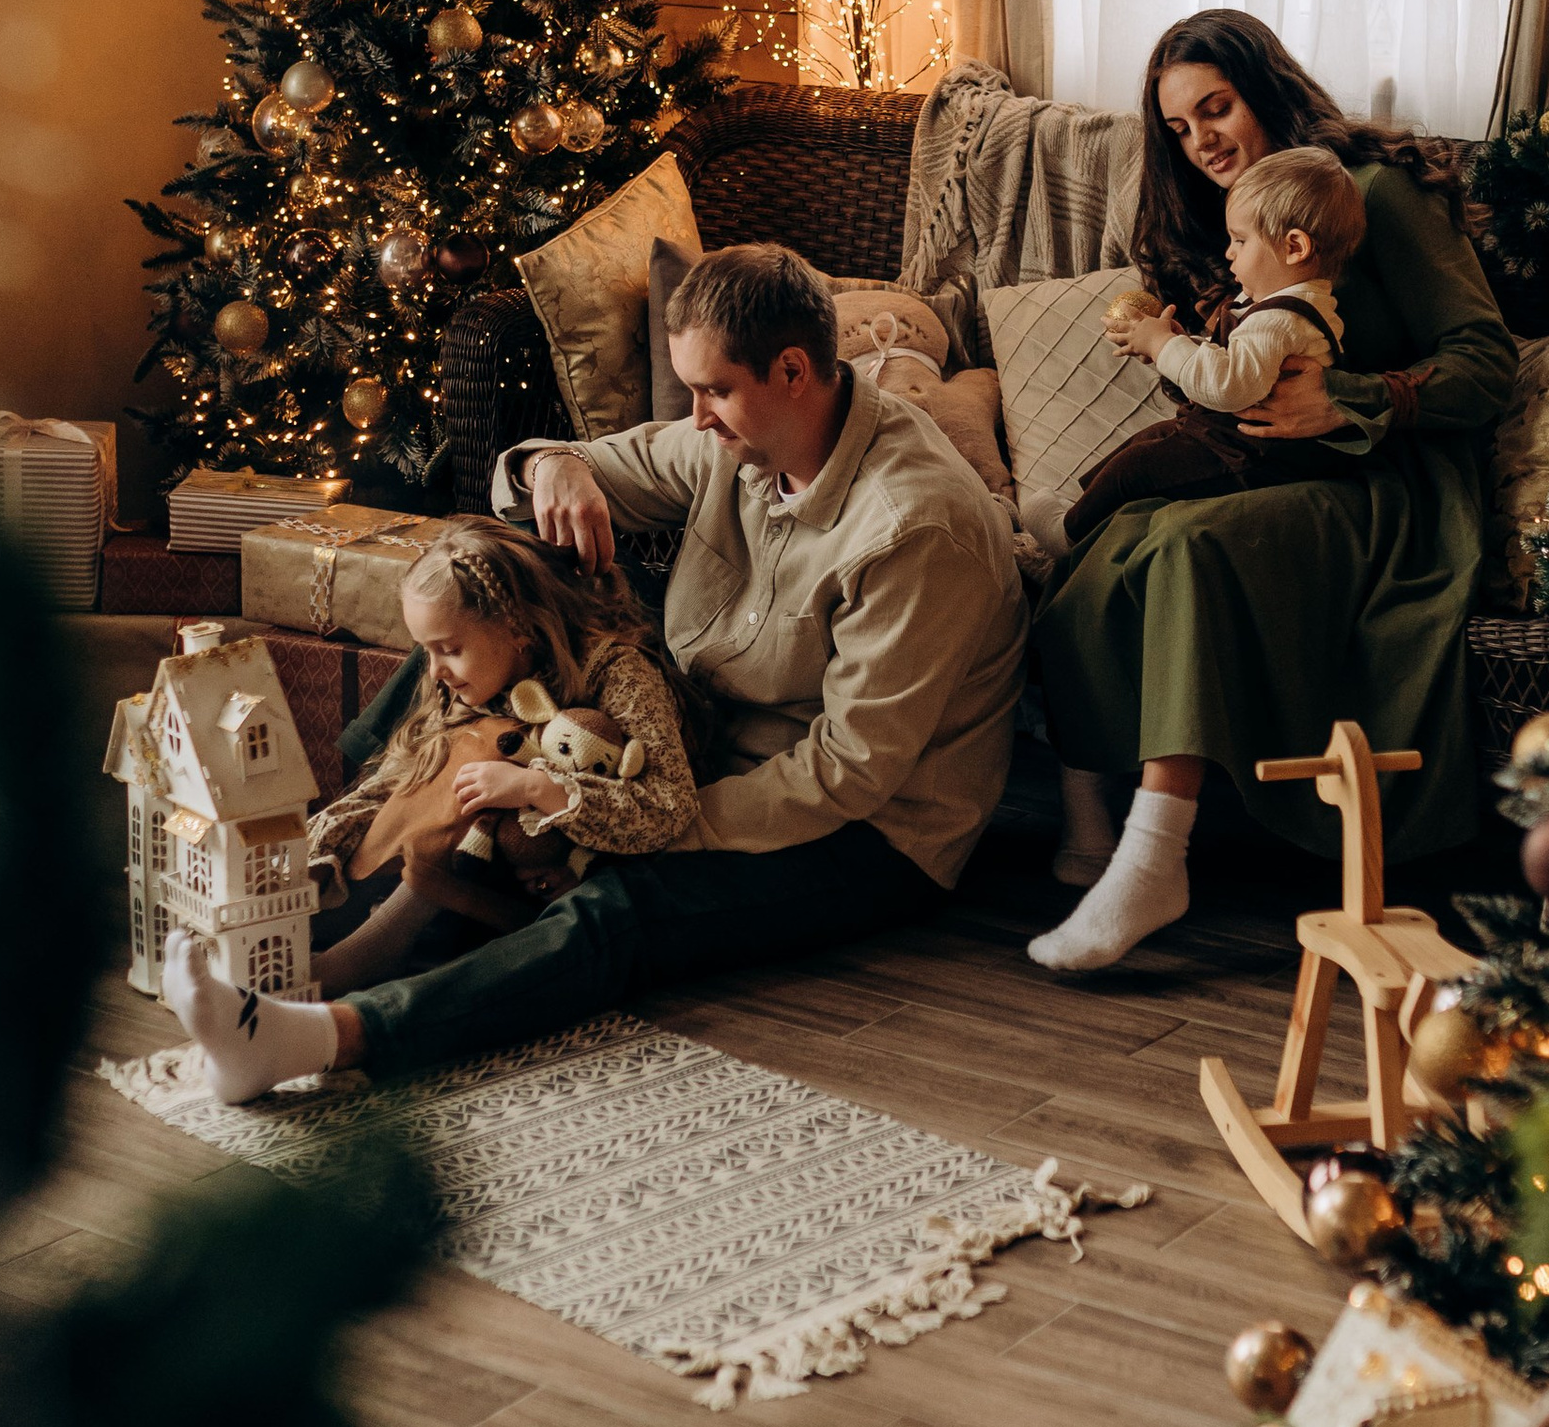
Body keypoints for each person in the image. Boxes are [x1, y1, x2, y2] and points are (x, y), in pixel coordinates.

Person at [163, 242, 1026, 1100]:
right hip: (703, 731)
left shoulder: (914, 528)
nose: (696, 418)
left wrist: (625, 819)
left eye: (713, 391)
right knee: (480, 610)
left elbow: (848, 773)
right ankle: (330, 864)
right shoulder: (743, 435)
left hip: (866, 829)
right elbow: (567, 471)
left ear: (794, 371)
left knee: (621, 908)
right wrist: (558, 467)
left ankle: (320, 1038)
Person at [1028, 9, 1516, 976]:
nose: (1201, 142)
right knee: (1112, 535)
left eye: (1216, 109)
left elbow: (1486, 362)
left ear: (1265, 90)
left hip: (1384, 484)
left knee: (1192, 545)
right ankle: (1092, 820)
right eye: (1179, 128)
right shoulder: (1230, 225)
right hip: (1273, 471)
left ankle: (1154, 861)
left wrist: (1349, 398)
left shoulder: (1373, 194)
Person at [302, 518, 699, 993]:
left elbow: (669, 806)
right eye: (426, 652)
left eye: (449, 649)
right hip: (483, 866)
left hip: (576, 873)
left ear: (518, 630)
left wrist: (535, 788)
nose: (435, 671)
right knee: (438, 761)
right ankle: (328, 919)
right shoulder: (465, 683)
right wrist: (315, 850)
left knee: (494, 745)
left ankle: (374, 947)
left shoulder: (618, 673)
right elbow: (397, 782)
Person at [1060, 144, 1373, 548]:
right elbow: (1238, 364)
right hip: (1233, 441)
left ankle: (1067, 537)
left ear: (1294, 247)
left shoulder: (1281, 320)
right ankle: (1077, 510)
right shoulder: (1277, 306)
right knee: (1150, 439)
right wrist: (1180, 343)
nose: (1229, 253)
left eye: (1240, 240)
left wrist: (1163, 346)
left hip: (1257, 457)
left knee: (1137, 467)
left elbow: (1228, 386)